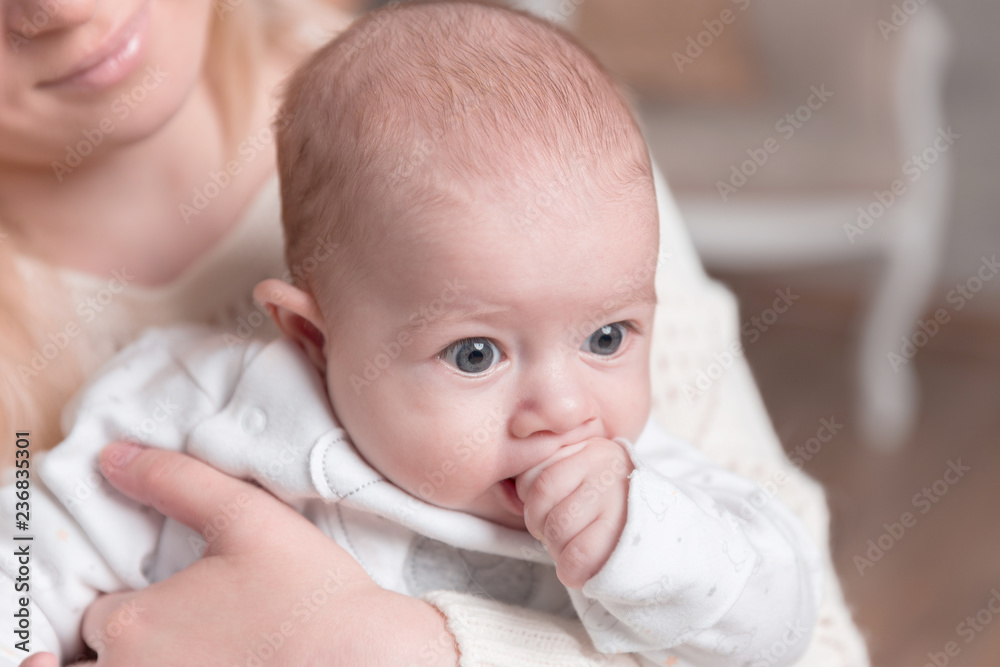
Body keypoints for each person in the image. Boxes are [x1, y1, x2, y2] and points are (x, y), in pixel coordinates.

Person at [0, 0, 872, 663]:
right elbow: (35, 532)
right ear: (313, 338)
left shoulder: (644, 485)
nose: (563, 409)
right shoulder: (208, 396)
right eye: (474, 354)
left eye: (608, 338)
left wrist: (639, 553)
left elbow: (792, 628)